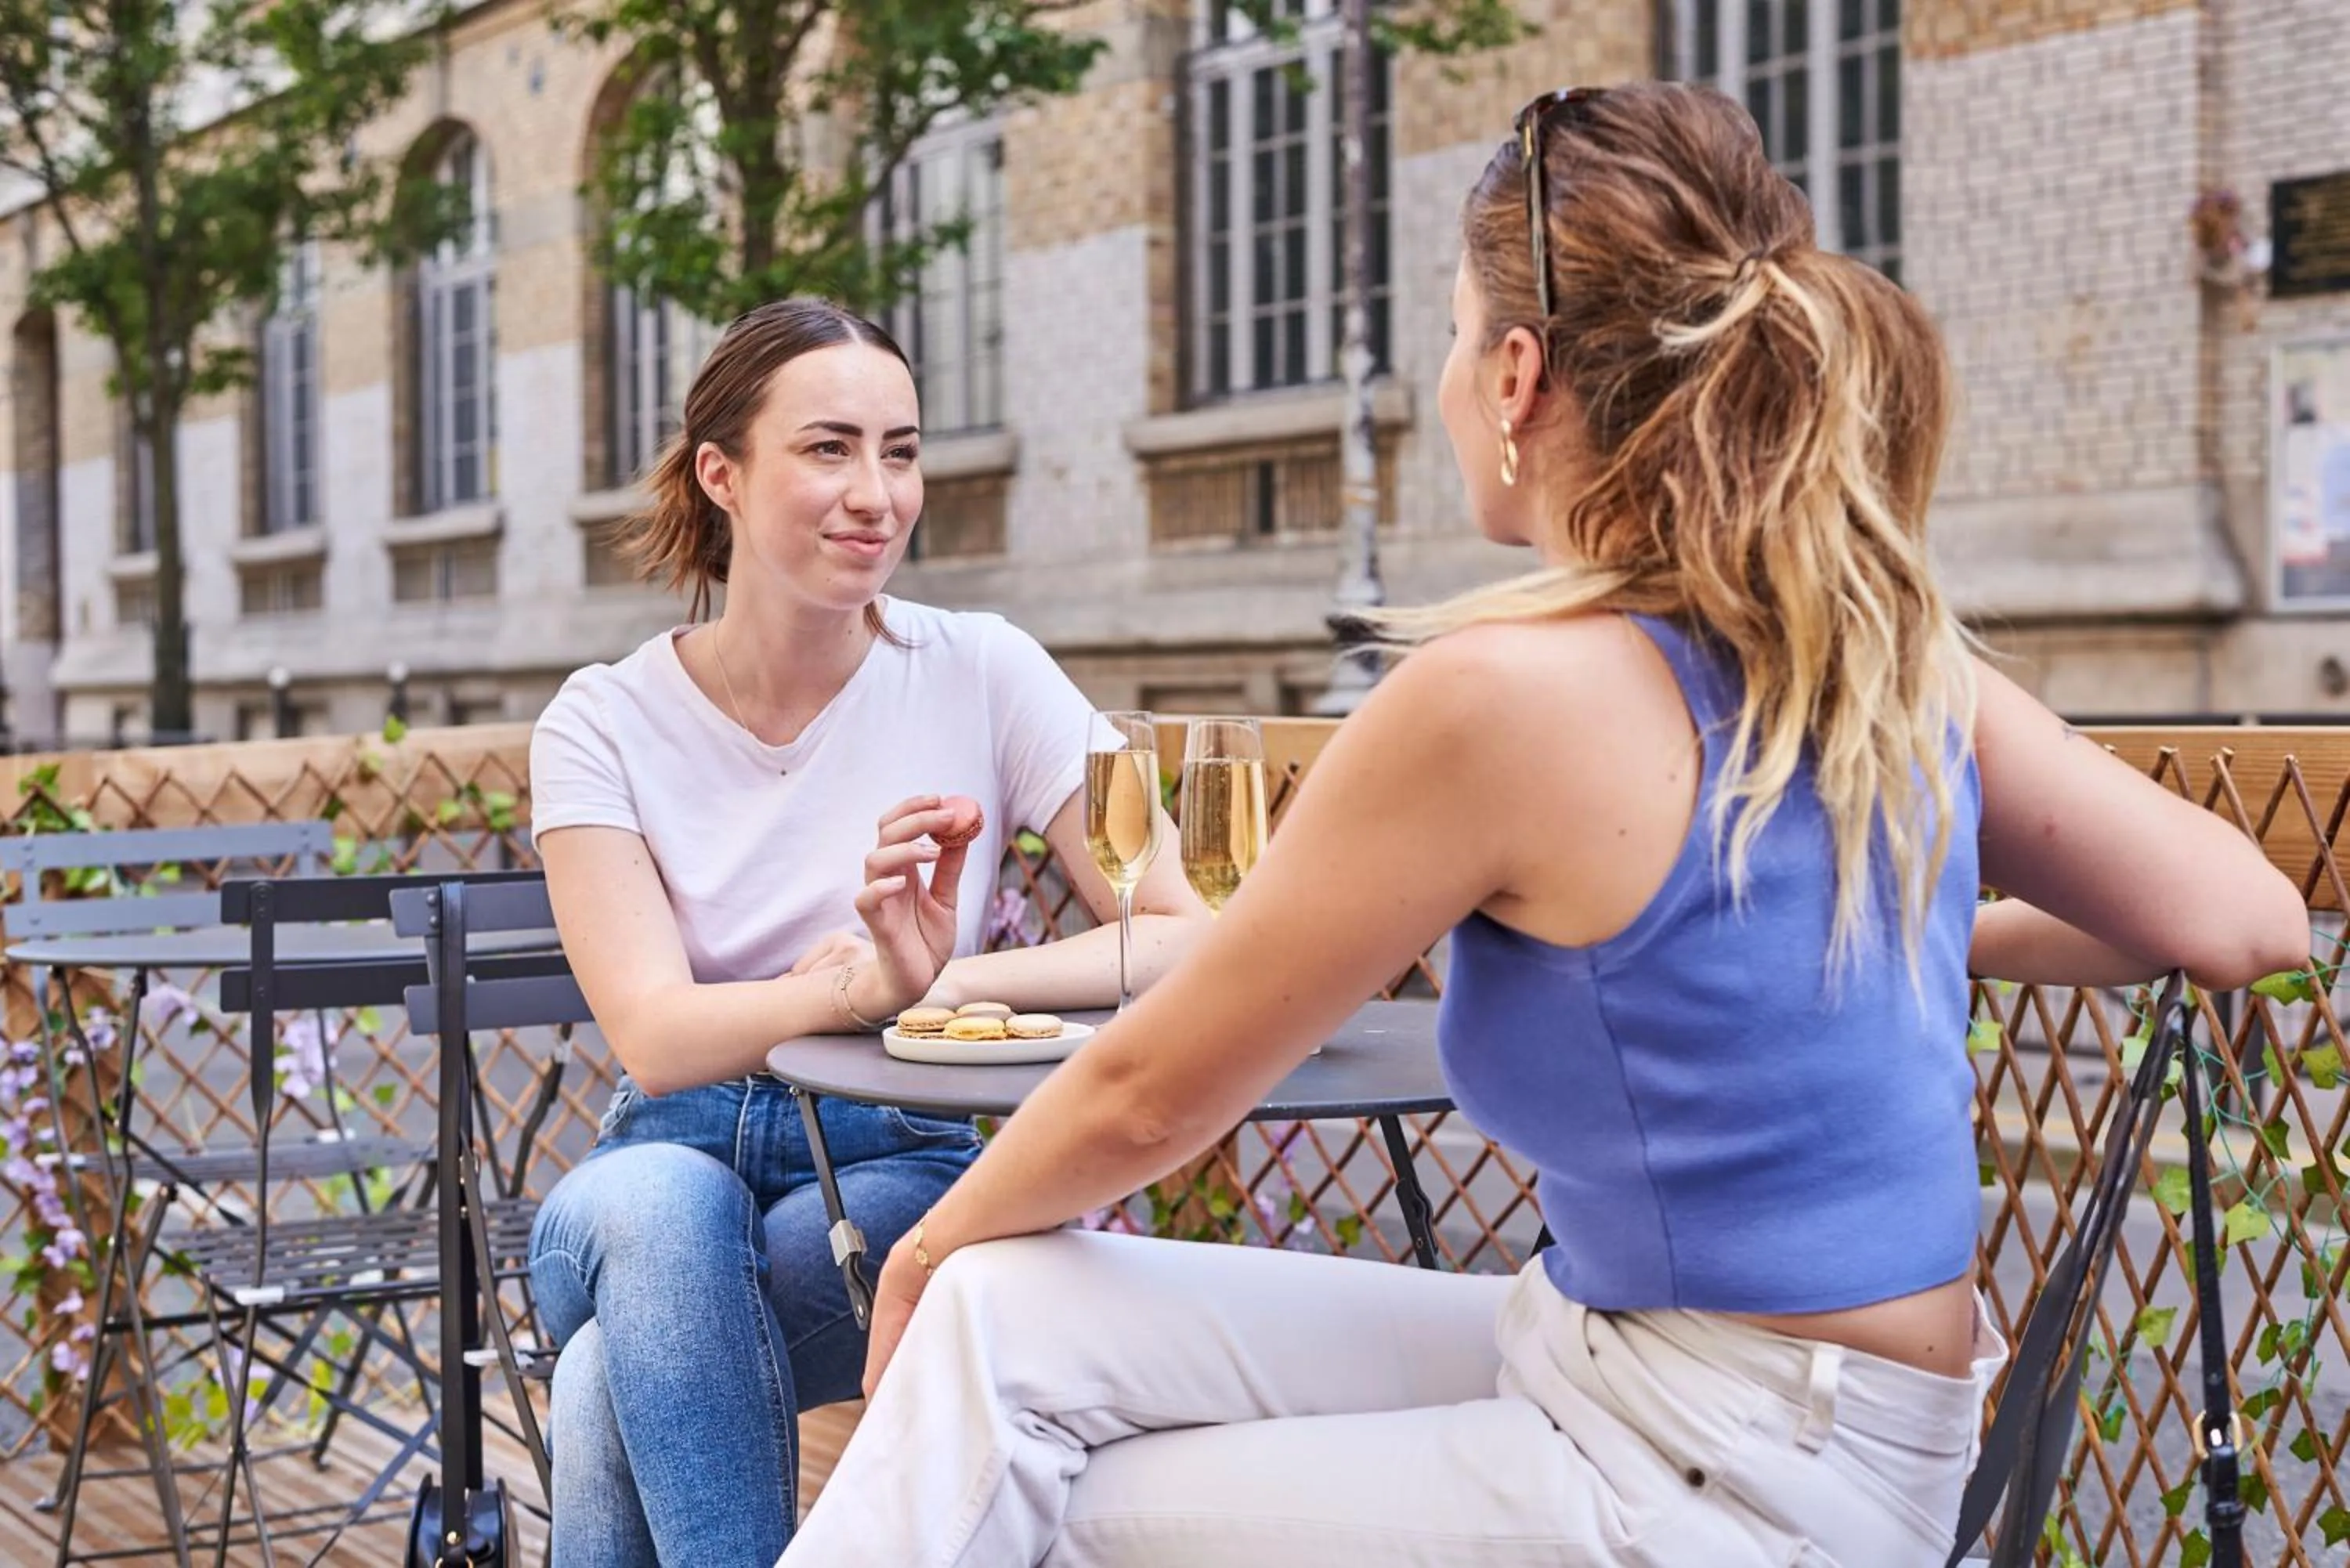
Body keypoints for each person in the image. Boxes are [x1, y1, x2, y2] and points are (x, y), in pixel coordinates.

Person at [780, 83, 2309, 1567]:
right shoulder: (1881, 656)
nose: (1451, 380)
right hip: (1673, 1371)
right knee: (1006, 1318)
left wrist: (914, 1250)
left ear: (1516, 376)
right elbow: (2244, 915)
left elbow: (1146, 1097)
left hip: (1742, 1473)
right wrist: (1894, 921)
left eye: (1453, 338)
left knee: (1040, 1489)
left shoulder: (1496, 699)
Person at [524, 296, 1206, 1567]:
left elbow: (1179, 928)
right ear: (721, 473)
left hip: (894, 1154)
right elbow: (660, 1039)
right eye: (829, 448)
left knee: (613, 1373)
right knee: (666, 1218)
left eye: (900, 450)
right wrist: (855, 981)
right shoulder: (601, 721)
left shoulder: (988, 670)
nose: (876, 493)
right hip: (655, 1157)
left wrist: (940, 976)